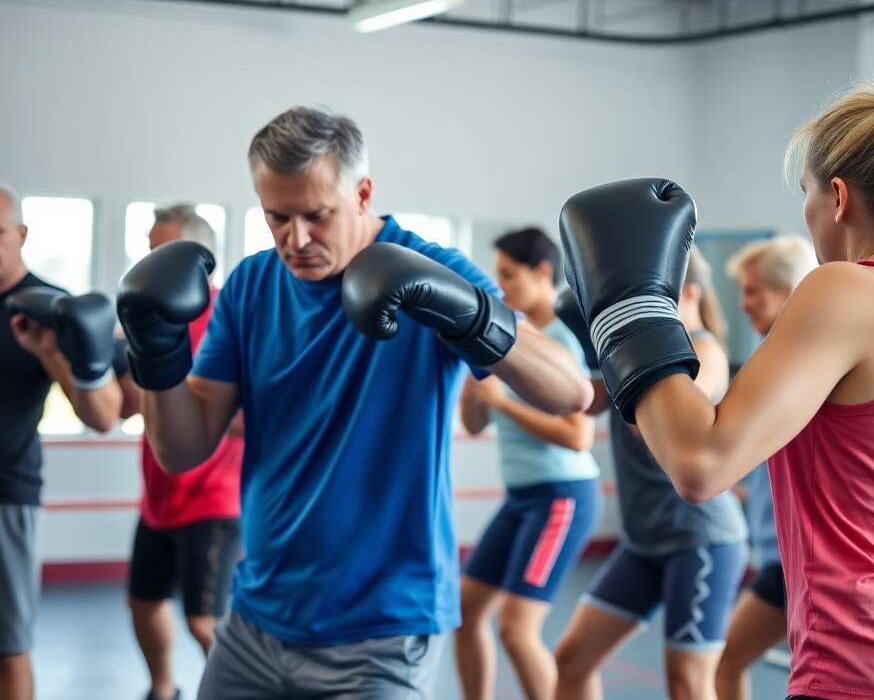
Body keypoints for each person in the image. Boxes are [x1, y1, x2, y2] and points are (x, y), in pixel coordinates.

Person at [559, 73, 874, 699]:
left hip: (872, 675)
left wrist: (629, 309)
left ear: (837, 197)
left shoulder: (847, 288)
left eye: (804, 195)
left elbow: (700, 464)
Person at [115, 107, 591, 699]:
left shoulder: (430, 269)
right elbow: (183, 449)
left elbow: (569, 390)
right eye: (277, 217)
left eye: (317, 215)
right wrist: (156, 356)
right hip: (258, 619)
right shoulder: (252, 285)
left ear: (363, 192)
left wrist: (467, 313)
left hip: (384, 632)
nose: (297, 239)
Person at [551, 248, 748, 700]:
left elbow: (662, 431)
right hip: (644, 540)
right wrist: (591, 346)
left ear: (690, 294)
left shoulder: (704, 350)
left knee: (688, 683)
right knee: (572, 660)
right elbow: (586, 401)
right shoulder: (634, 352)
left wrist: (629, 353)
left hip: (700, 539)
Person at [453, 227, 600, 700]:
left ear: (542, 273)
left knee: (517, 630)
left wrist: (504, 402)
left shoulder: (558, 341)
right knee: (467, 609)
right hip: (521, 497)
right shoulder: (507, 339)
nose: (501, 286)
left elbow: (579, 436)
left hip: (561, 498)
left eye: (509, 275)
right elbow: (474, 424)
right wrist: (475, 378)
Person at [115, 205, 244, 700]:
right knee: (143, 603)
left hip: (214, 496)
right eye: (147, 249)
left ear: (197, 258)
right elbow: (130, 406)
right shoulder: (149, 314)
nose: (148, 261)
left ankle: (239, 692)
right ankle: (163, 690)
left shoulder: (226, 317)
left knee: (203, 620)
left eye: (159, 250)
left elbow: (250, 415)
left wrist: (198, 410)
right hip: (159, 495)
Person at [0, 184, 121, 700]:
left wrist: (52, 353)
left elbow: (104, 415)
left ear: (21, 235)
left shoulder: (51, 308)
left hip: (5, 493)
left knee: (8, 646)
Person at [716, 234, 815, 700]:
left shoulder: (801, 361)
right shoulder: (767, 358)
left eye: (754, 290)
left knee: (733, 658)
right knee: (730, 658)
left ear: (788, 289)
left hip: (805, 560)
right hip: (781, 555)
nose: (744, 303)